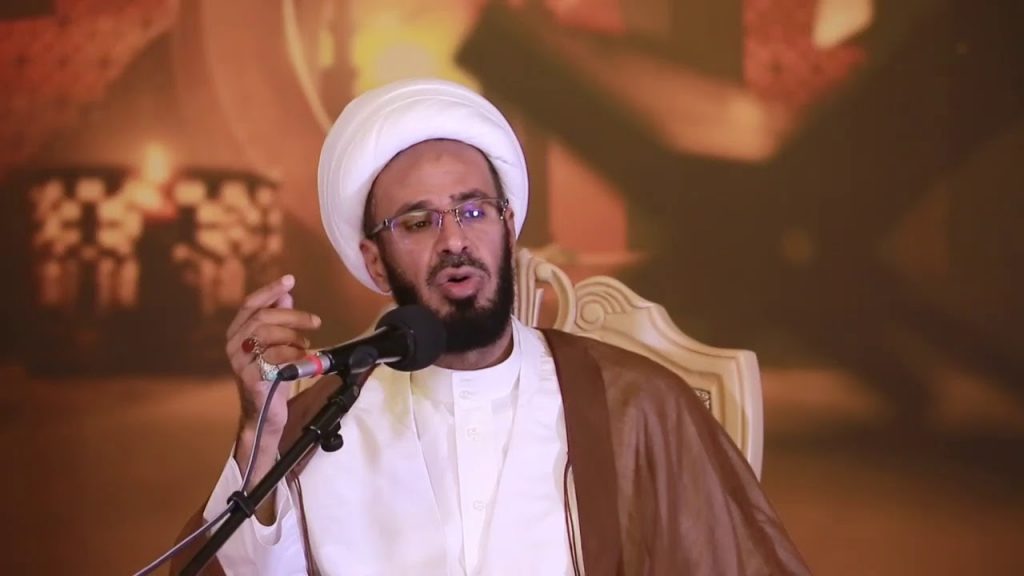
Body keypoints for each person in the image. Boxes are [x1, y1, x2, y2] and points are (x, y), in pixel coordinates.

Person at [172, 78, 810, 575]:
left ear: (508, 226)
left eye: (473, 210)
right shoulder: (322, 419)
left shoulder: (636, 405)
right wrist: (259, 433)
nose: (454, 239)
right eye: (418, 222)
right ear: (375, 260)